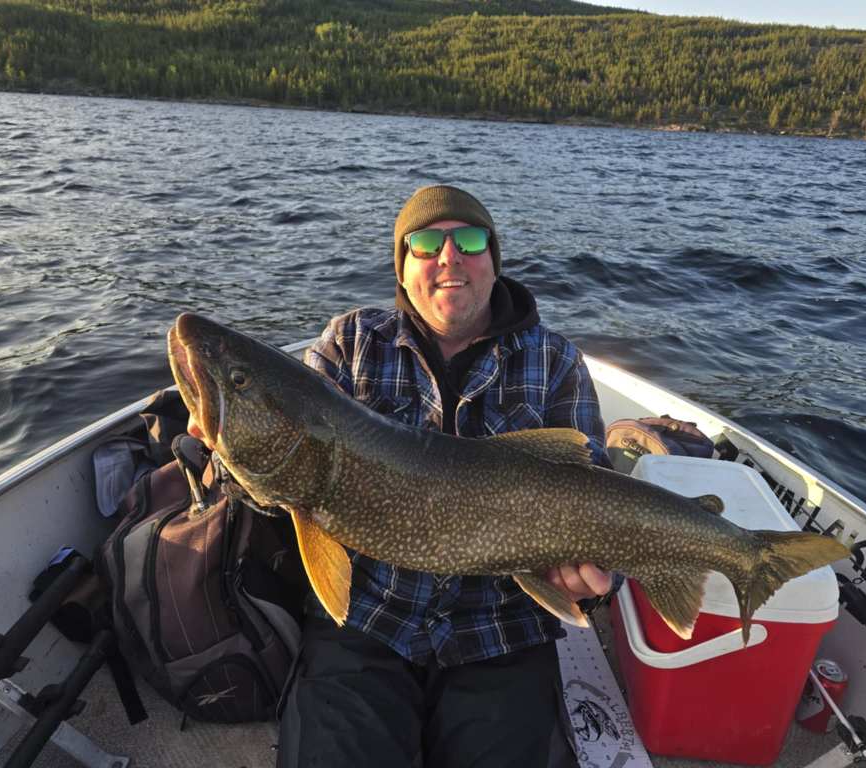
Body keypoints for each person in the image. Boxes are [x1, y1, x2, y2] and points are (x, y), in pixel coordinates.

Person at [196, 185, 617, 767]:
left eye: (469, 240)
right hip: (370, 621)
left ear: (494, 260)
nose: (449, 257)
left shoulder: (556, 361)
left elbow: (601, 499)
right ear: (402, 266)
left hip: (501, 631)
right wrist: (227, 451)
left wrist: (594, 581)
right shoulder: (349, 343)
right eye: (426, 244)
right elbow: (277, 484)